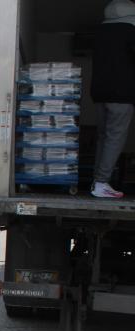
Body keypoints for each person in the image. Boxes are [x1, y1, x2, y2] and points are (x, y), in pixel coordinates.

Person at [90, 0, 135, 198]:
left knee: (104, 137)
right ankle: (101, 182)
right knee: (115, 138)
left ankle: (96, 182)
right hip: (122, 94)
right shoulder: (131, 32)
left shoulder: (100, 33)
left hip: (100, 93)